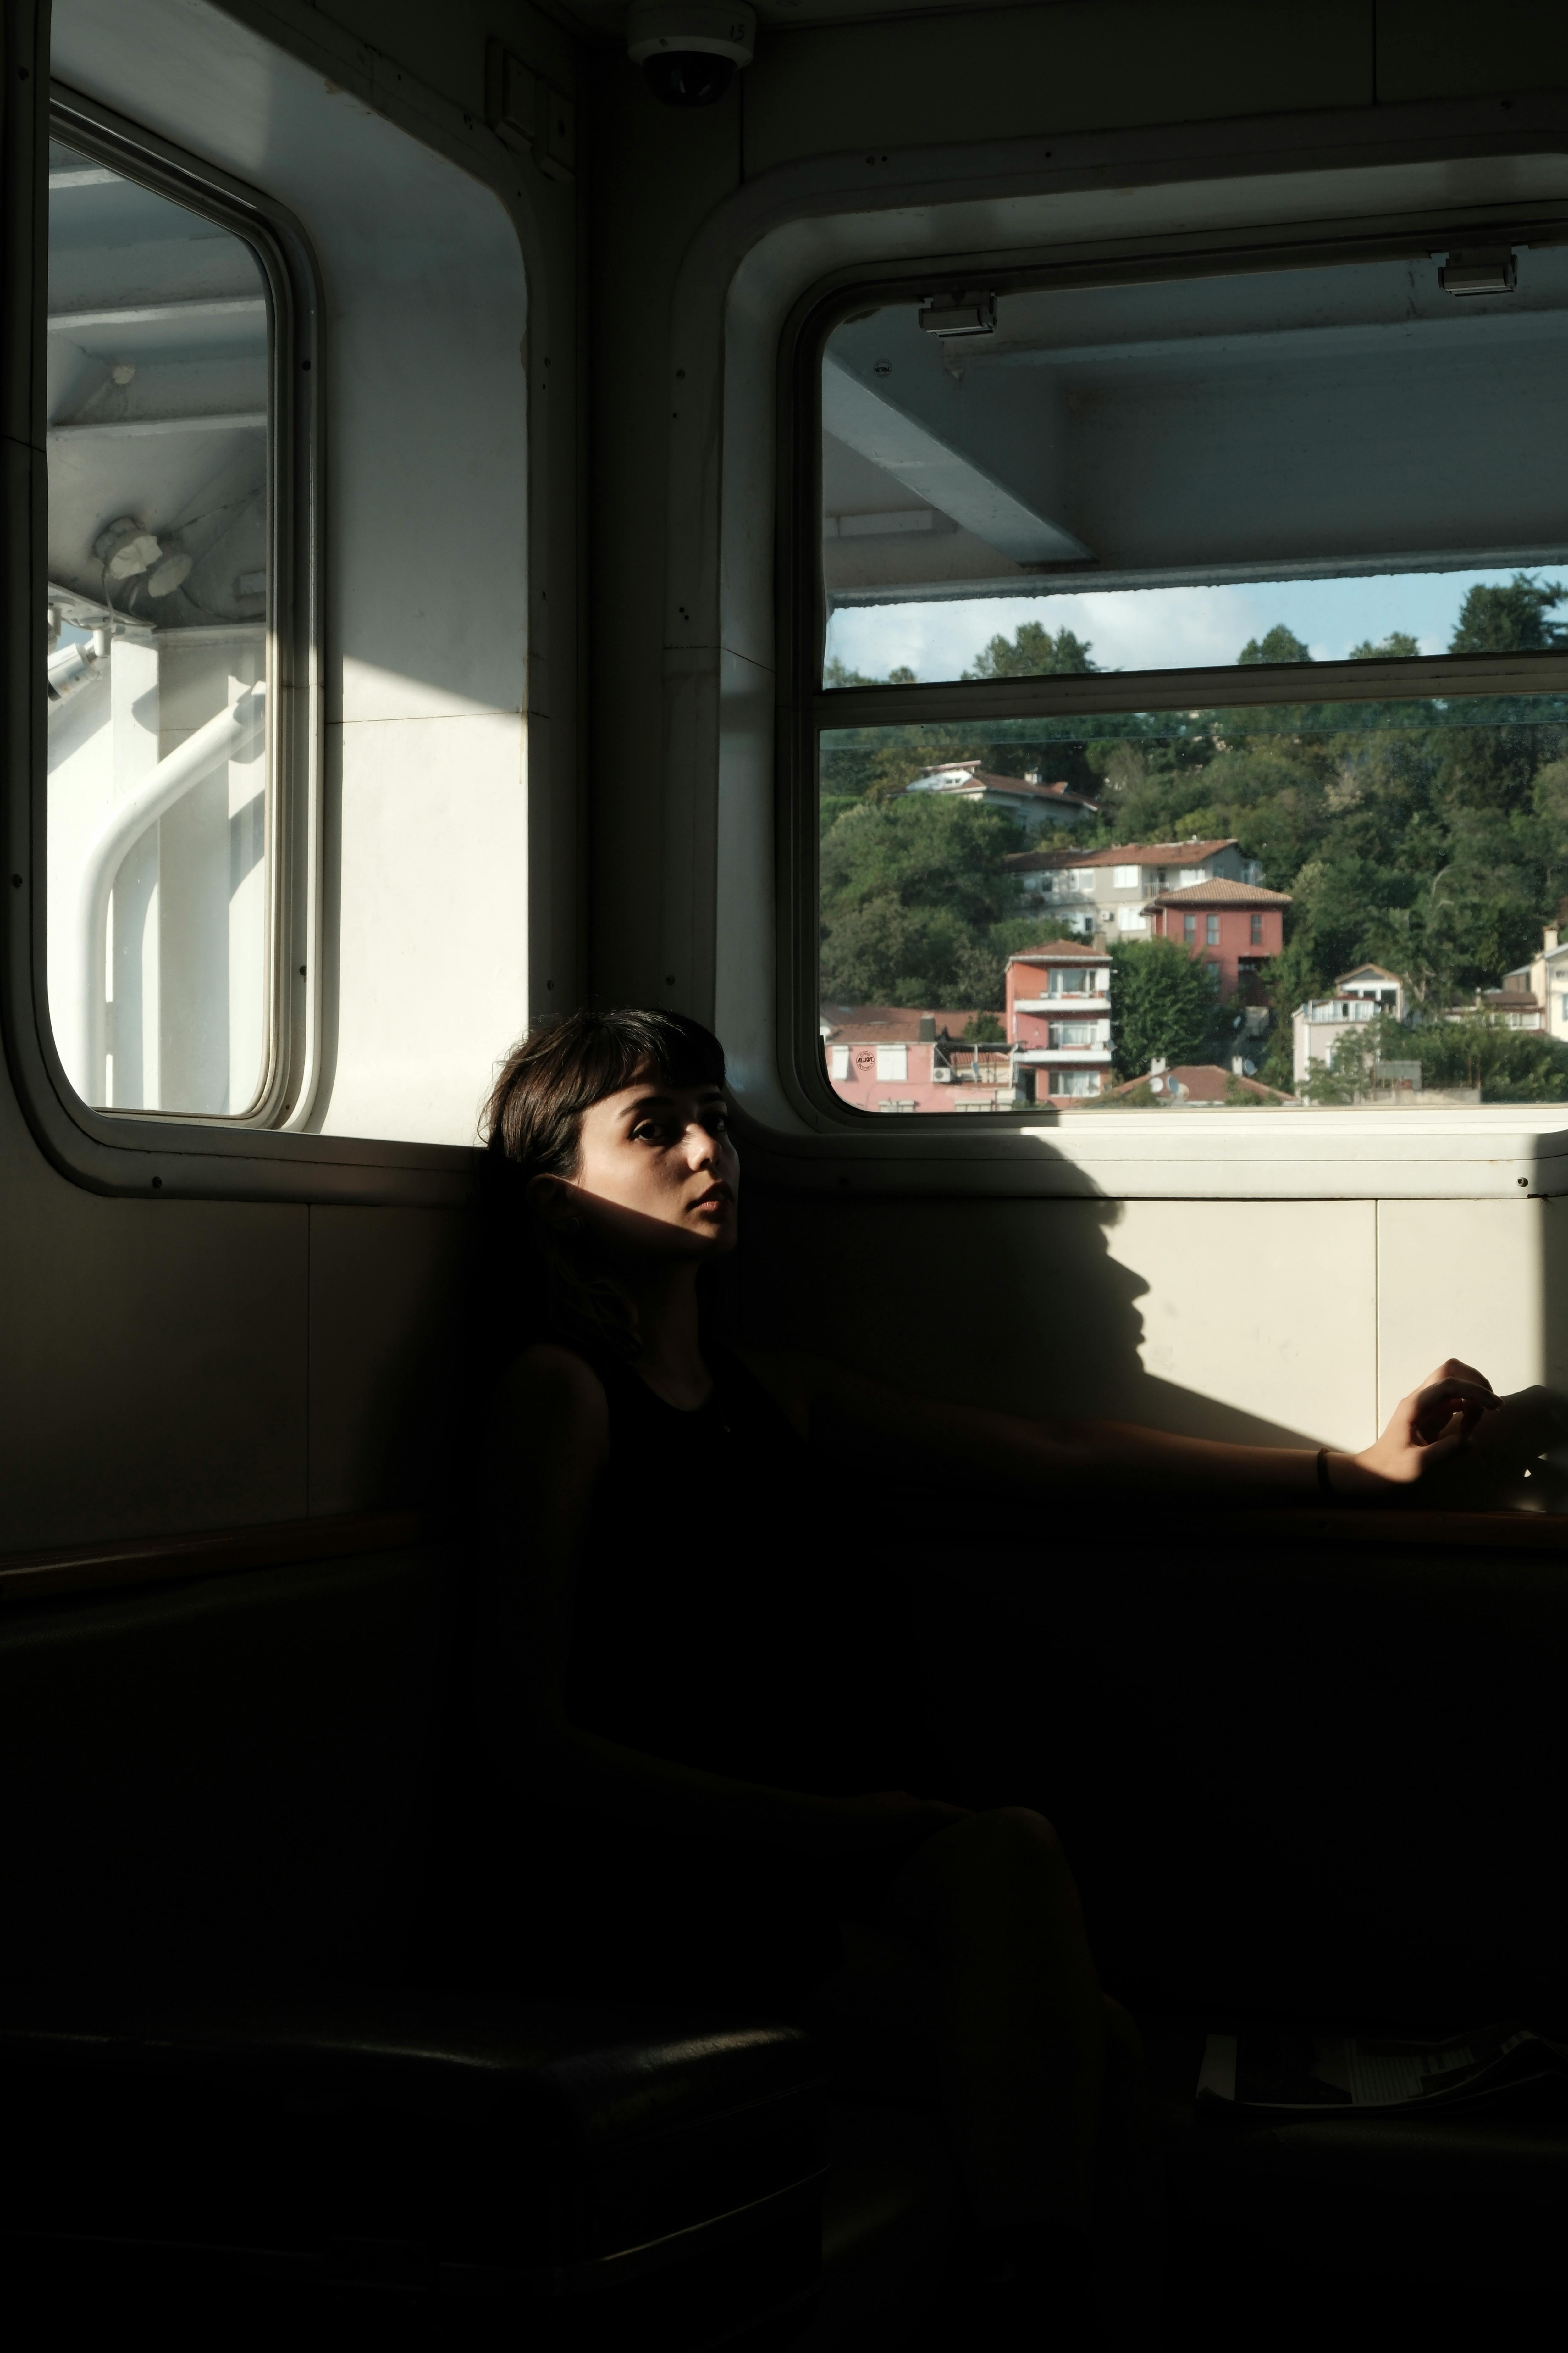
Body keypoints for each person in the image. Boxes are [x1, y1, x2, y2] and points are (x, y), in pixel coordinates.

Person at [466, 1005, 1512, 2349]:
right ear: (559, 1202)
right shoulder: (559, 1396)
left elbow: (1055, 1451)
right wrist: (842, 1829)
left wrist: (1348, 1475)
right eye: (653, 1128)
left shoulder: (762, 1394)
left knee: (1095, 2034)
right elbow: (523, 1743)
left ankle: (1063, 2314)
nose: (708, 1147)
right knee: (1010, 1872)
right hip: (653, 1899)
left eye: (715, 1116)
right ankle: (1042, 2310)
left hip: (798, 1890)